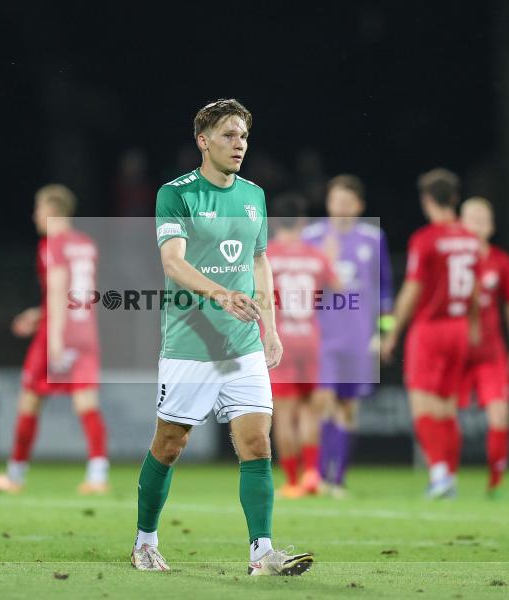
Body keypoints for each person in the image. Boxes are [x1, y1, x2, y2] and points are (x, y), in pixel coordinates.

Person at [131, 99, 313, 576]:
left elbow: (259, 261)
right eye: (230, 135)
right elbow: (172, 262)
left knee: (257, 444)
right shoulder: (177, 194)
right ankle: (145, 542)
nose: (240, 145)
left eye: (245, 137)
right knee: (170, 444)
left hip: (243, 344)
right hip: (191, 341)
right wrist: (220, 295)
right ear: (203, 140)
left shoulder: (254, 195)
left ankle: (262, 553)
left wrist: (269, 327)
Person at [0, 184, 109, 495]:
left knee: (29, 401)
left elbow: (58, 287)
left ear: (52, 210)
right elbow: (78, 294)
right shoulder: (86, 244)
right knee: (87, 405)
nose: (35, 215)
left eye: (38, 209)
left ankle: (14, 476)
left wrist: (54, 341)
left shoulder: (52, 244)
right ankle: (98, 475)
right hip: (85, 331)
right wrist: (40, 314)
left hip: (58, 334)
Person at [381, 168, 480, 499]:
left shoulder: (426, 239)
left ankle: (438, 473)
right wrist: (474, 328)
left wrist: (393, 331)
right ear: (454, 198)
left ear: (427, 200)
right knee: (448, 409)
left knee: (422, 406)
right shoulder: (470, 238)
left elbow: (412, 289)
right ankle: (449, 476)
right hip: (460, 327)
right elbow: (477, 291)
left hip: (431, 328)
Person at [302, 175, 394, 497]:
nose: (339, 208)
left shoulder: (373, 238)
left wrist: (384, 334)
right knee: (323, 402)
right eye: (335, 201)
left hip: (358, 336)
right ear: (328, 203)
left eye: (346, 202)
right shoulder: (312, 237)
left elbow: (385, 292)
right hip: (322, 335)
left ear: (358, 206)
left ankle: (337, 479)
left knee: (348, 408)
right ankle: (320, 476)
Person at [265, 192, 339, 499]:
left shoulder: (267, 254)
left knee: (284, 416)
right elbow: (337, 287)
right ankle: (312, 475)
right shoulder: (315, 255)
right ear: (303, 222)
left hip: (279, 339)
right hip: (309, 336)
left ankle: (293, 481)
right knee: (310, 411)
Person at [458, 197, 509, 496]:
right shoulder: (451, 260)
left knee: (500, 415)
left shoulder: (501, 261)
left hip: (491, 352)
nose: (476, 224)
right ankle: (442, 476)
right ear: (460, 223)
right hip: (456, 351)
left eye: (482, 218)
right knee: (442, 415)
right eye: (470, 217)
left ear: (492, 226)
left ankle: (495, 484)